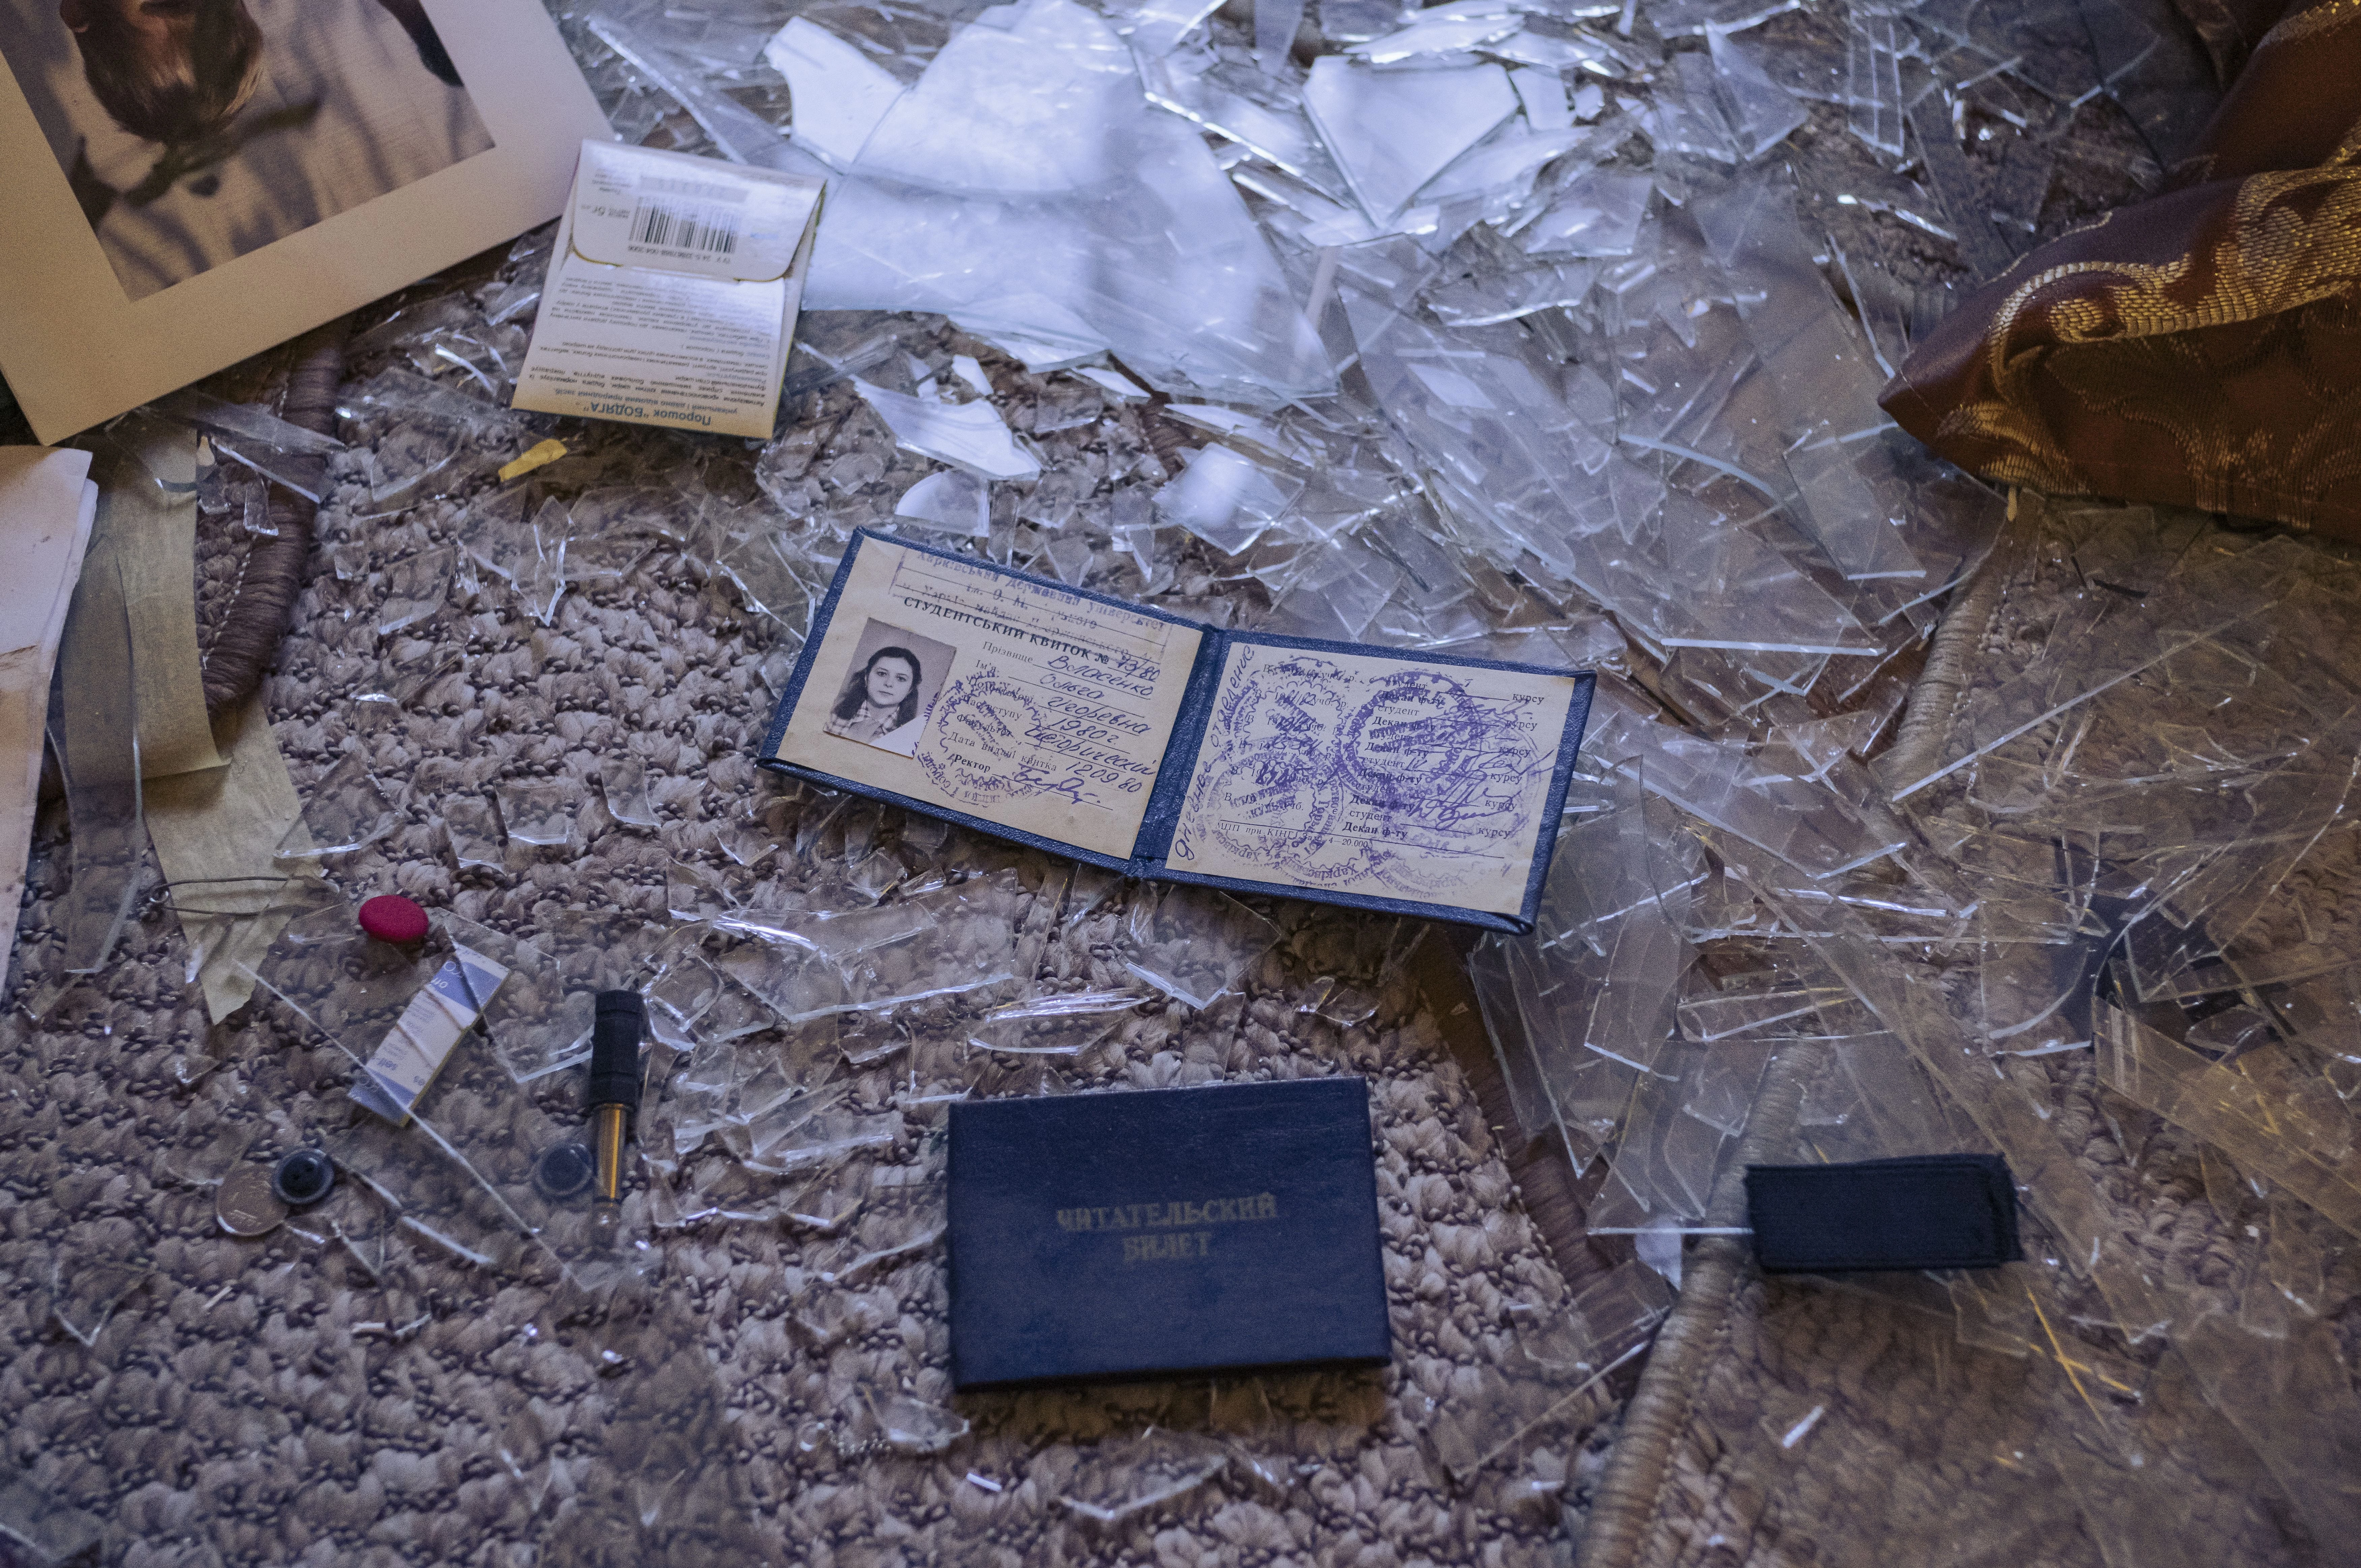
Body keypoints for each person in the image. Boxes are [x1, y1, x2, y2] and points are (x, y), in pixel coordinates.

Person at [824, 646, 928, 756]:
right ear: (866, 678)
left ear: (910, 689)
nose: (889, 683)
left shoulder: (912, 741)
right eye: (882, 674)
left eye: (901, 679)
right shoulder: (830, 715)